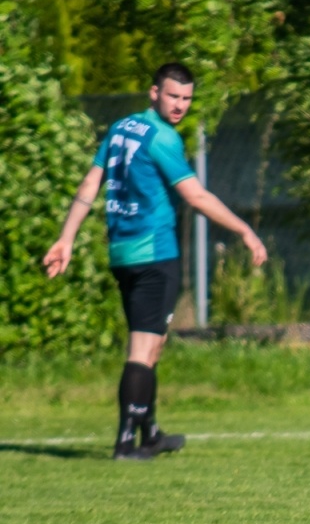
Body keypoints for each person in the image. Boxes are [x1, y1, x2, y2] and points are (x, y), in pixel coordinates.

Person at [42, 63, 268, 460]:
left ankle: (150, 432)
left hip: (122, 254)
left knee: (153, 345)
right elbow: (196, 197)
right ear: (153, 93)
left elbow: (90, 185)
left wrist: (67, 238)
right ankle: (126, 441)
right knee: (142, 350)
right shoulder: (162, 139)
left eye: (186, 98)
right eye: (172, 96)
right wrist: (244, 231)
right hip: (154, 256)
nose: (180, 105)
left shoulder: (120, 128)